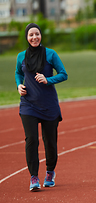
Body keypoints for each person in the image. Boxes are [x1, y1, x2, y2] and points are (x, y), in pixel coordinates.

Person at [15, 23, 68, 191]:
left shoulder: (51, 54)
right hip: (28, 105)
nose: (34, 37)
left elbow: (63, 74)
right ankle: (33, 177)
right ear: (27, 37)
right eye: (31, 35)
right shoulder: (21, 56)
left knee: (50, 141)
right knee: (31, 140)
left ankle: (50, 171)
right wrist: (19, 85)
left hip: (48, 105)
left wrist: (48, 80)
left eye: (36, 34)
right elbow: (18, 73)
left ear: (40, 36)